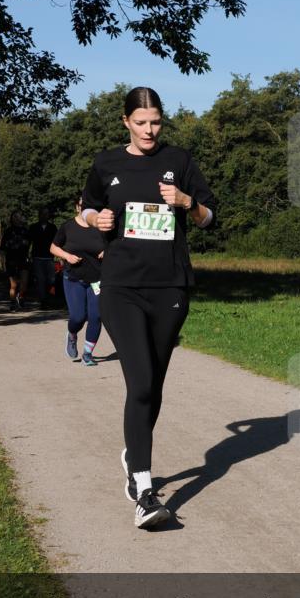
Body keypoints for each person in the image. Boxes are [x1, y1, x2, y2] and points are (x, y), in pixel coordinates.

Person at [81, 86, 216, 529]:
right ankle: (143, 489)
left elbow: (210, 216)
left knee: (153, 385)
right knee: (139, 381)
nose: (149, 130)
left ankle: (132, 451)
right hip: (121, 285)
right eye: (140, 122)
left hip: (170, 285)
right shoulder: (107, 162)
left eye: (155, 122)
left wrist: (188, 203)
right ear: (125, 122)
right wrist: (94, 220)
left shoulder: (179, 160)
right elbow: (87, 209)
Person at [51, 196, 106, 366]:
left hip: (97, 280)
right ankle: (72, 334)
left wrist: (107, 251)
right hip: (73, 278)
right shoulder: (68, 227)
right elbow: (53, 247)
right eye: (83, 205)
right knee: (78, 316)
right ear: (77, 207)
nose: (87, 208)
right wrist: (67, 256)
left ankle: (88, 354)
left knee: (96, 316)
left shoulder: (102, 228)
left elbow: (116, 245)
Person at [0, 209, 30, 311]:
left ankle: (20, 297)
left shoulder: (26, 231)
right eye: (14, 217)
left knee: (24, 283)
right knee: (14, 284)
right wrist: (2, 262)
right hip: (11, 260)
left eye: (18, 217)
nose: (16, 219)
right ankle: (12, 302)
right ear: (12, 219)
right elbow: (2, 248)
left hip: (23, 259)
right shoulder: (8, 231)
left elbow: (30, 244)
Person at [29, 206, 57, 308]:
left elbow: (57, 242)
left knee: (51, 280)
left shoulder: (53, 228)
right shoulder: (33, 227)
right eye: (43, 214)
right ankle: (43, 301)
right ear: (39, 215)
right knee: (40, 280)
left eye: (46, 214)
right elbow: (29, 242)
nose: (45, 216)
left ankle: (51, 299)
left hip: (49, 258)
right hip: (37, 257)